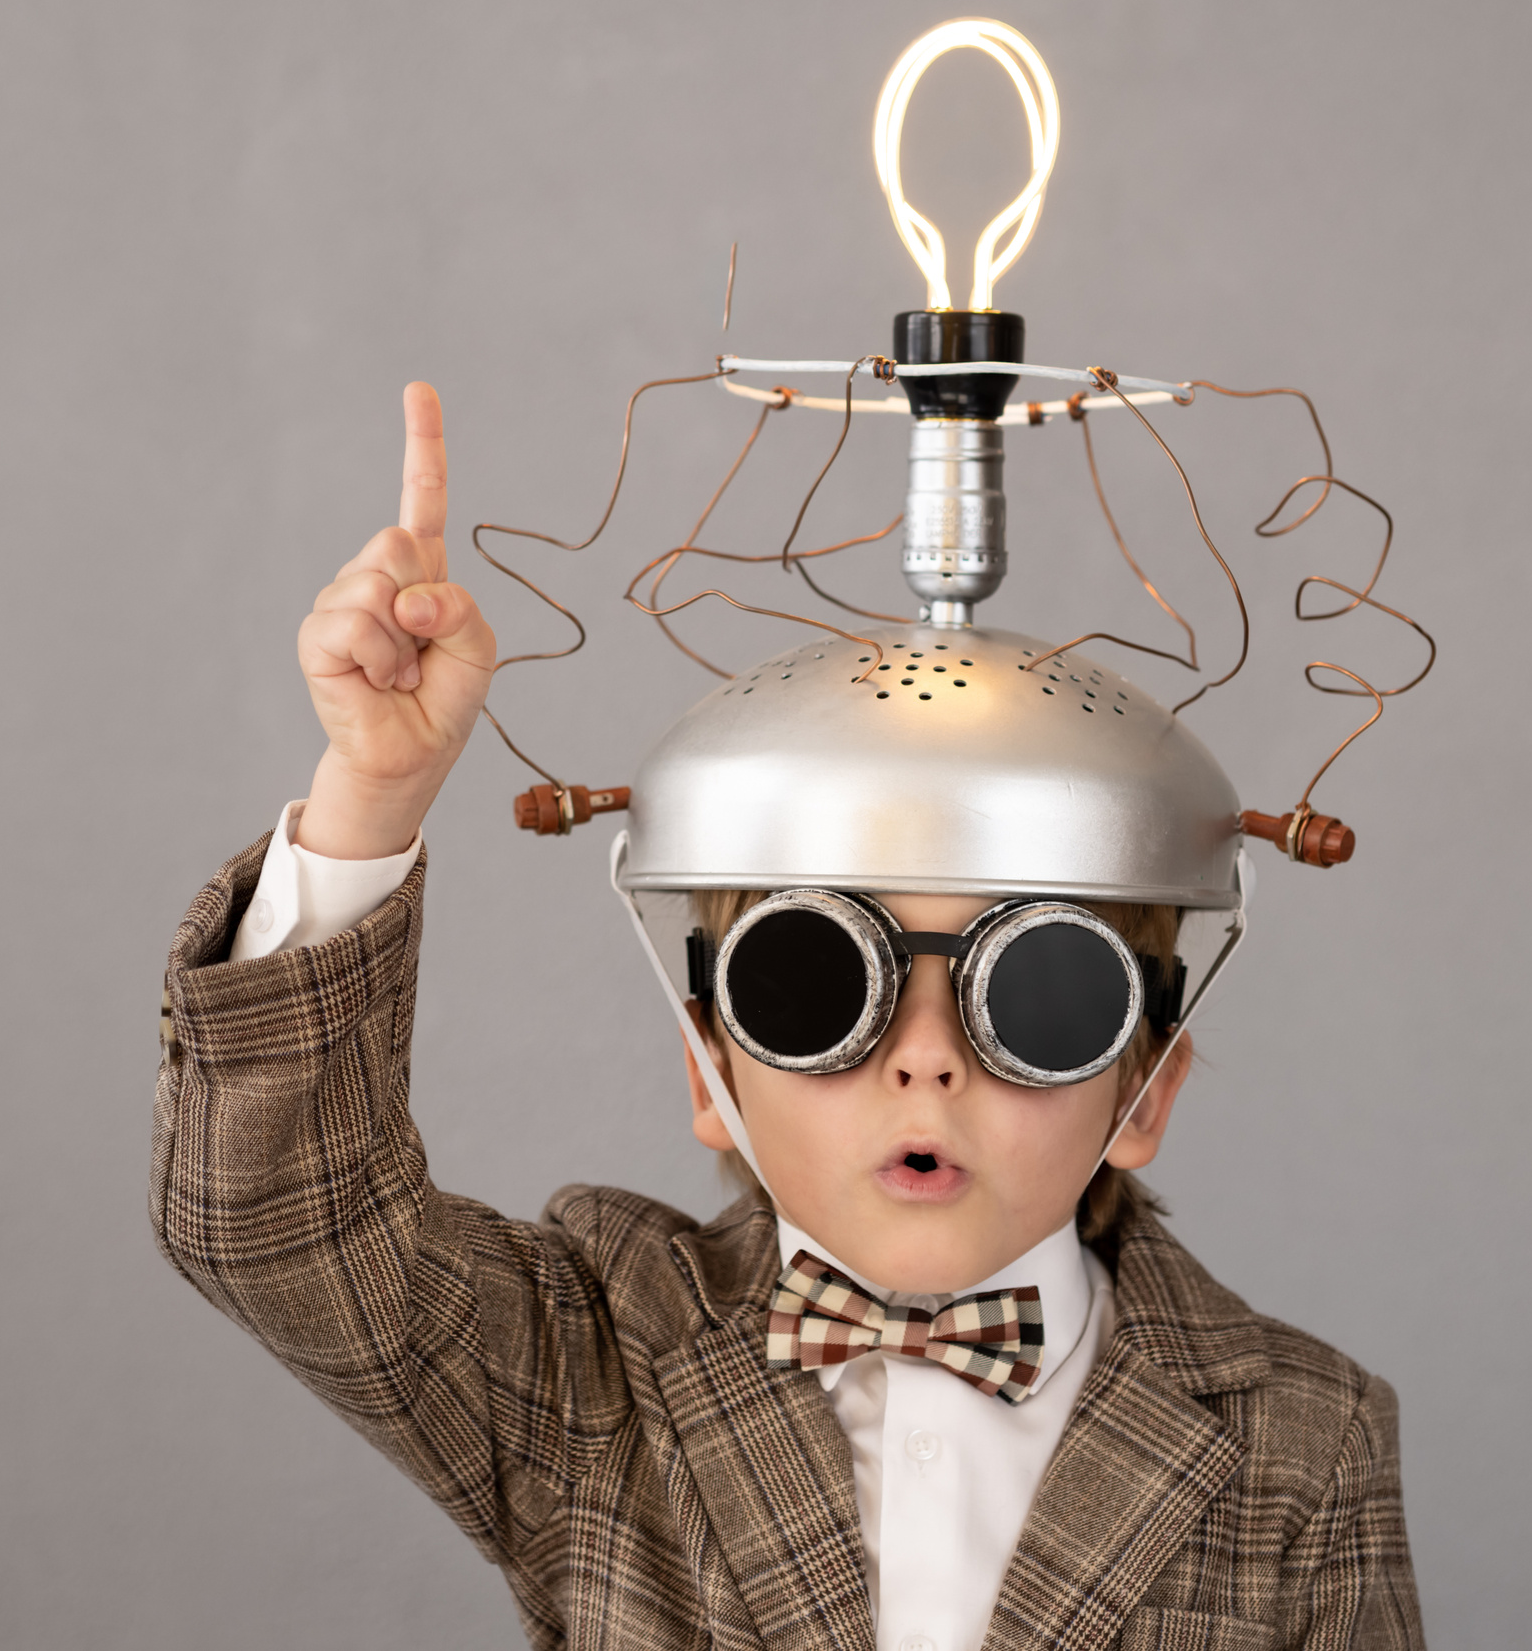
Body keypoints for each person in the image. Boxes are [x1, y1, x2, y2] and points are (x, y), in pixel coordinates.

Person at [153, 382, 1425, 1650]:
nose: (925, 1056)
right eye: (816, 986)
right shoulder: (595, 1360)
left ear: (1142, 1088)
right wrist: (371, 797)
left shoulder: (1306, 1438)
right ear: (713, 1070)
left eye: (1039, 996)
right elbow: (276, 1227)